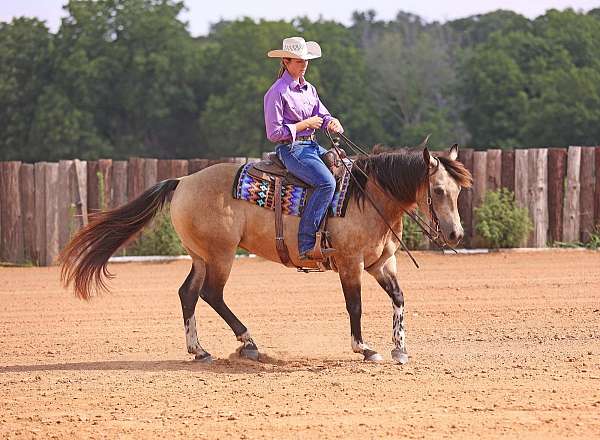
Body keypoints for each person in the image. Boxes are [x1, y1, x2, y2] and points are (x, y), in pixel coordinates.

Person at [264, 36, 344, 261]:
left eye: (306, 60)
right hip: (292, 149)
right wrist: (304, 125)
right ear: (286, 62)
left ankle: (333, 231)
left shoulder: (309, 89)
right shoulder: (277, 92)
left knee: (345, 172)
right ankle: (307, 243)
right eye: (298, 60)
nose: (304, 64)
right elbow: (273, 133)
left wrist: (332, 121)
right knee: (326, 183)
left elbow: (323, 113)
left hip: (311, 145)